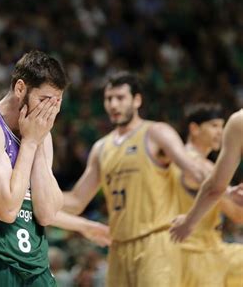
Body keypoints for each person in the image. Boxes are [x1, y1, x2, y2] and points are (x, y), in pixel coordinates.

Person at [0, 50, 110, 287]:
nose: (49, 111)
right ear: (20, 88)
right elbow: (7, 209)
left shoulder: (40, 134)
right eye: (44, 100)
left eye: (56, 103)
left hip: (36, 266)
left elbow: (46, 212)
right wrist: (30, 143)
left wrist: (36, 140)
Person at [61, 71, 209, 287]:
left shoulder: (156, 132)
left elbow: (194, 171)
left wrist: (222, 190)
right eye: (108, 99)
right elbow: (76, 201)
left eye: (120, 98)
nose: (113, 105)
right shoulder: (101, 148)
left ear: (137, 100)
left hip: (156, 243)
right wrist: (33, 195)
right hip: (118, 247)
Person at [169, 103, 243, 286]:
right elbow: (235, 211)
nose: (220, 131)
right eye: (214, 126)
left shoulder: (181, 160)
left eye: (222, 126)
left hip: (198, 248)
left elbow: (234, 211)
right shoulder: (193, 162)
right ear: (194, 129)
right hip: (195, 251)